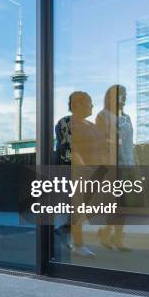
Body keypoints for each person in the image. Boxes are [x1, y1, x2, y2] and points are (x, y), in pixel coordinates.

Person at [55, 91, 106, 258]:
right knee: (78, 207)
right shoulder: (66, 122)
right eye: (89, 103)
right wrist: (81, 167)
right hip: (74, 172)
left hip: (91, 171)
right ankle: (78, 243)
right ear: (77, 105)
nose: (92, 106)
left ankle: (64, 230)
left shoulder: (91, 126)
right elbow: (68, 148)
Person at [95, 84, 134, 251]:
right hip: (112, 167)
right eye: (120, 95)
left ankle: (108, 233)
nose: (124, 97)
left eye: (125, 94)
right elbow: (101, 141)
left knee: (123, 205)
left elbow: (130, 144)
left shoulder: (127, 118)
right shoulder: (103, 115)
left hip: (128, 165)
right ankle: (114, 237)